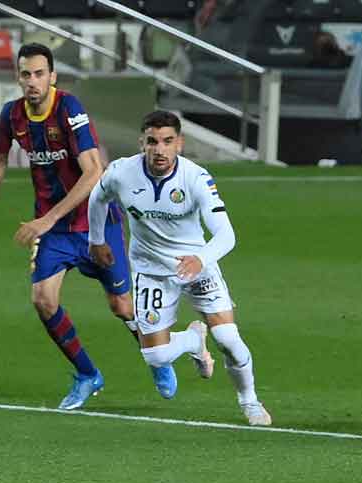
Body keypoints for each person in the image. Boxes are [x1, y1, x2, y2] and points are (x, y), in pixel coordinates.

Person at [0, 43, 174, 409]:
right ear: (18, 78)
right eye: (26, 74)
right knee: (43, 299)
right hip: (54, 232)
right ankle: (88, 374)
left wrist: (47, 218)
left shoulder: (69, 109)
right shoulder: (11, 116)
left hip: (95, 223)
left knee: (121, 306)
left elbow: (93, 172)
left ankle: (157, 357)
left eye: (39, 73)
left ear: (52, 76)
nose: (32, 81)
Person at [87, 110, 271, 427]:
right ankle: (191, 340)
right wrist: (96, 239)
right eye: (153, 142)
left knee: (227, 337)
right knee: (156, 357)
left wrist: (201, 258)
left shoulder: (196, 179)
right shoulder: (122, 173)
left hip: (196, 267)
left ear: (180, 144)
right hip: (151, 271)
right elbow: (97, 197)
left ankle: (250, 401)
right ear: (141, 143)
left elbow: (227, 235)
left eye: (168, 141)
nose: (160, 149)